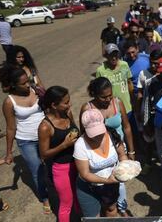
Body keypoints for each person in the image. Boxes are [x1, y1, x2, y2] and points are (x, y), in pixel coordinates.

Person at [79, 78, 135, 217]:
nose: (108, 99)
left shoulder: (117, 103)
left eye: (110, 95)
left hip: (119, 150)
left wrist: (131, 151)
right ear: (94, 94)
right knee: (103, 186)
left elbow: (126, 127)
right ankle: (110, 208)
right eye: (103, 97)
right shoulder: (87, 109)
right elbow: (83, 134)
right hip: (99, 155)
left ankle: (119, 208)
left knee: (120, 182)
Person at [0, 67, 50, 213]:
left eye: (28, 81)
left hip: (45, 135)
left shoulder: (35, 90)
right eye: (23, 83)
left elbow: (49, 107)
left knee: (51, 165)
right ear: (13, 85)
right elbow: (10, 128)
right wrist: (8, 152)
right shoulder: (9, 102)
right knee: (37, 170)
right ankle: (45, 198)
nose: (27, 85)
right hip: (26, 141)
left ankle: (55, 188)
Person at [74, 109, 128, 217]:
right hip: (89, 187)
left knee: (111, 208)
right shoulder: (80, 145)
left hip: (111, 184)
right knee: (93, 217)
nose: (97, 136)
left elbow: (122, 155)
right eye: (93, 133)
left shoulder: (113, 135)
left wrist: (126, 168)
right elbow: (85, 174)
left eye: (100, 132)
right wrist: (107, 180)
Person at [38, 86, 81, 222]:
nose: (70, 104)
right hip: (62, 169)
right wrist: (64, 145)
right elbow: (44, 154)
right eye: (66, 102)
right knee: (66, 204)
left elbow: (75, 131)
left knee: (78, 198)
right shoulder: (45, 126)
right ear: (54, 105)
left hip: (77, 163)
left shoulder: (67, 114)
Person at [96, 43, 134, 115]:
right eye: (111, 55)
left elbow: (129, 83)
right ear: (106, 56)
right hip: (112, 111)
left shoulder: (124, 65)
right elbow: (98, 92)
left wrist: (133, 102)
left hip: (127, 108)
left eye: (115, 54)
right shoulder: (100, 70)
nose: (114, 58)